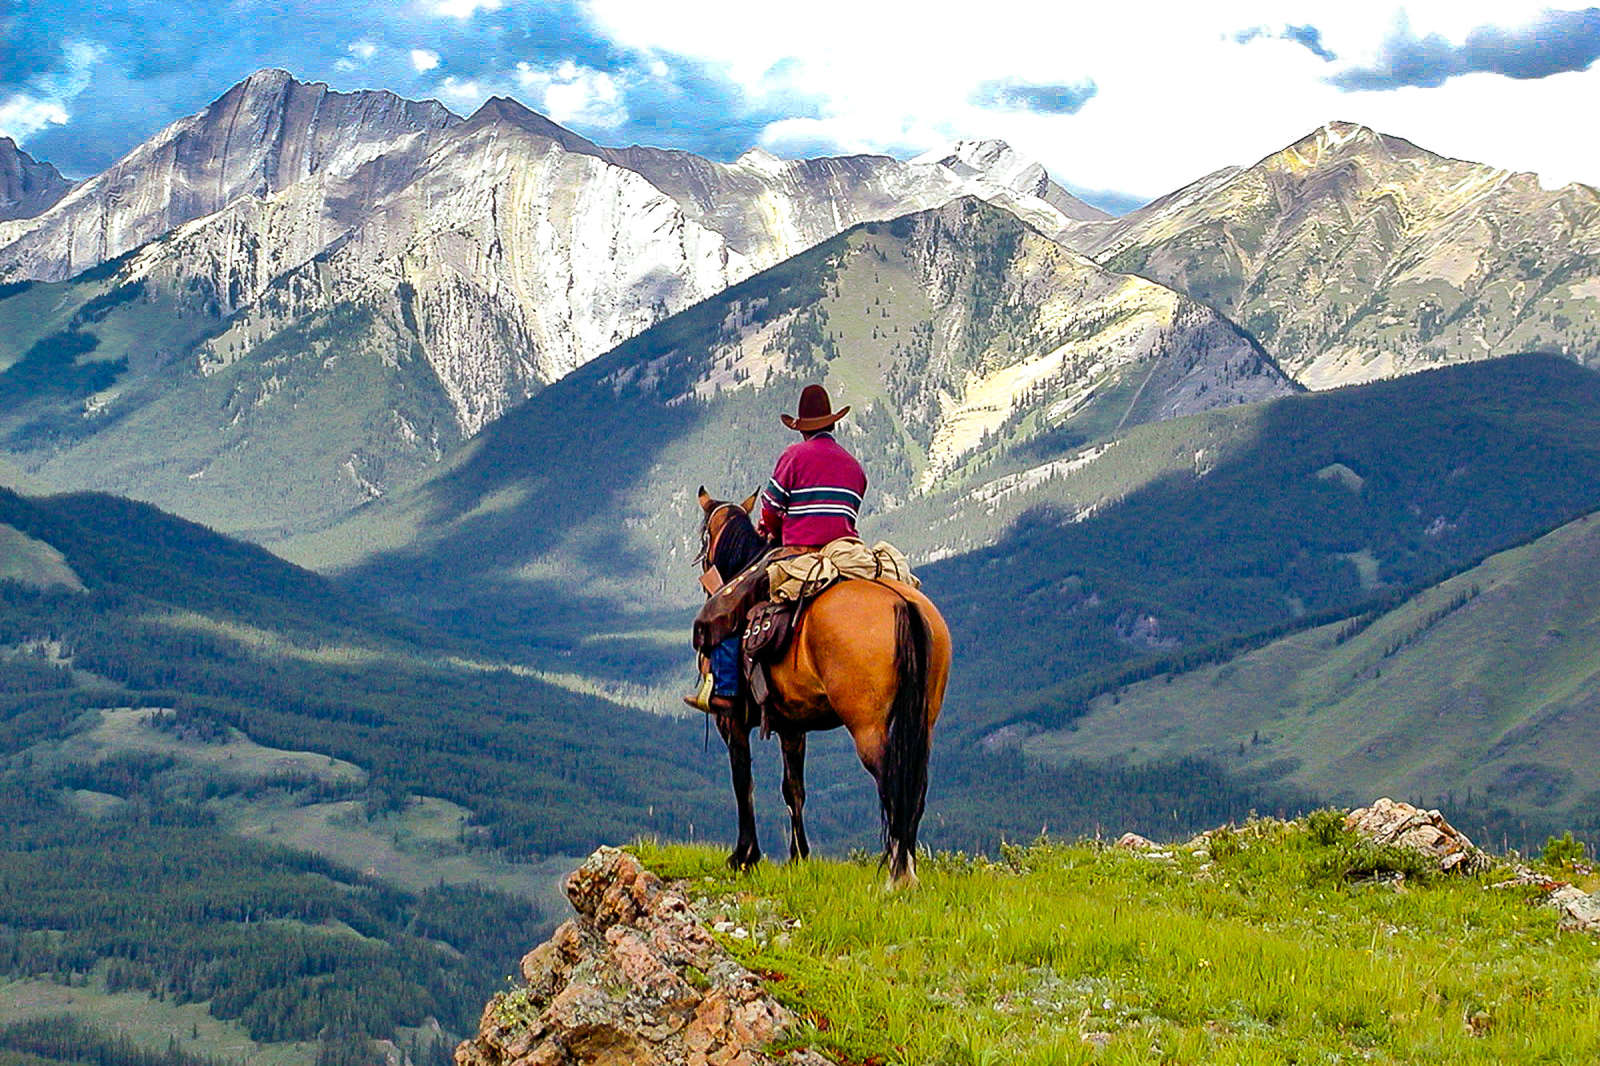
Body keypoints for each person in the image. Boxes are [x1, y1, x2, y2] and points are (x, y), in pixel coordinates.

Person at [685, 384, 867, 712]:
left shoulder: (794, 456)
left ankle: (725, 689)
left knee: (726, 604)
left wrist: (769, 529)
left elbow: (769, 509)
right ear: (832, 424)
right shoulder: (856, 468)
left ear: (802, 429)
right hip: (845, 553)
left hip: (797, 553)